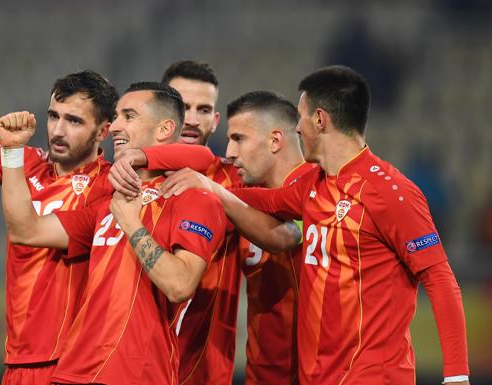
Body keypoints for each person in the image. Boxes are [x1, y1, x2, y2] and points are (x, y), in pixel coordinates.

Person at [0, 21, 214, 385]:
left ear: (103, 131)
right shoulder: (23, 164)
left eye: (74, 121)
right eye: (53, 116)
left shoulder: (112, 185)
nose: (58, 130)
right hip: (18, 360)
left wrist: (141, 157)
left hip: (72, 361)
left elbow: (201, 159)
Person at [164, 66, 470, 385]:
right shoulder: (313, 184)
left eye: (301, 117)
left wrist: (457, 376)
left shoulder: (391, 191)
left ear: (320, 120)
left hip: (372, 376)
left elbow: (440, 279)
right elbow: (265, 200)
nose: (297, 128)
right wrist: (203, 183)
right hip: (320, 377)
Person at [0, 82, 229, 385]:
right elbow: (26, 230)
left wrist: (132, 224)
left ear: (164, 129)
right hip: (72, 374)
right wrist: (12, 152)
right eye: (117, 116)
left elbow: (179, 284)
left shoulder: (194, 199)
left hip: (136, 374)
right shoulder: (108, 204)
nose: (116, 125)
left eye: (128, 117)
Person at [162, 60, 245, 385]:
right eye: (183, 107)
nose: (192, 120)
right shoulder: (128, 178)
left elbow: (286, 233)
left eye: (203, 109)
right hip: (133, 366)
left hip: (204, 371)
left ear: (216, 120)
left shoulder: (238, 180)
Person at [225, 91, 314, 385]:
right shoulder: (242, 200)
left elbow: (286, 235)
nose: (230, 151)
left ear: (275, 140)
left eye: (239, 139)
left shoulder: (322, 187)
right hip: (261, 376)